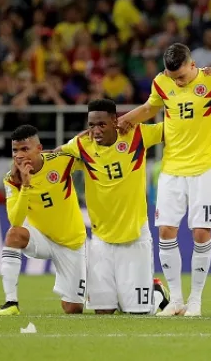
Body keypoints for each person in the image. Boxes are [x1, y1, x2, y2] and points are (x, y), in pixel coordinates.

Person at [118, 43, 211, 317]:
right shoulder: (162, 82)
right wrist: (125, 120)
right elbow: (148, 109)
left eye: (181, 76)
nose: (176, 81)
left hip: (202, 169)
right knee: (166, 231)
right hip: (171, 169)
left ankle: (196, 300)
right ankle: (176, 299)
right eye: (171, 76)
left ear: (193, 65)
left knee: (201, 233)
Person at [59, 99, 168, 314]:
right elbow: (52, 159)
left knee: (138, 313)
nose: (95, 130)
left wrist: (135, 117)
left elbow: (174, 127)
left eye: (101, 124)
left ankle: (156, 292)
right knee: (103, 312)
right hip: (101, 241)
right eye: (91, 125)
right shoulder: (82, 145)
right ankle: (122, 295)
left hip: (135, 237)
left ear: (115, 121)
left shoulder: (137, 135)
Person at [0, 125, 86, 316]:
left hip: (71, 243)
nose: (19, 155)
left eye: (25, 149)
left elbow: (87, 155)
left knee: (73, 308)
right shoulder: (12, 179)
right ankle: (11, 302)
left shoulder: (60, 162)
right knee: (14, 234)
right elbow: (16, 220)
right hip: (40, 238)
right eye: (15, 150)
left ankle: (96, 290)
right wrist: (25, 186)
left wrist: (75, 142)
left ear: (39, 148)